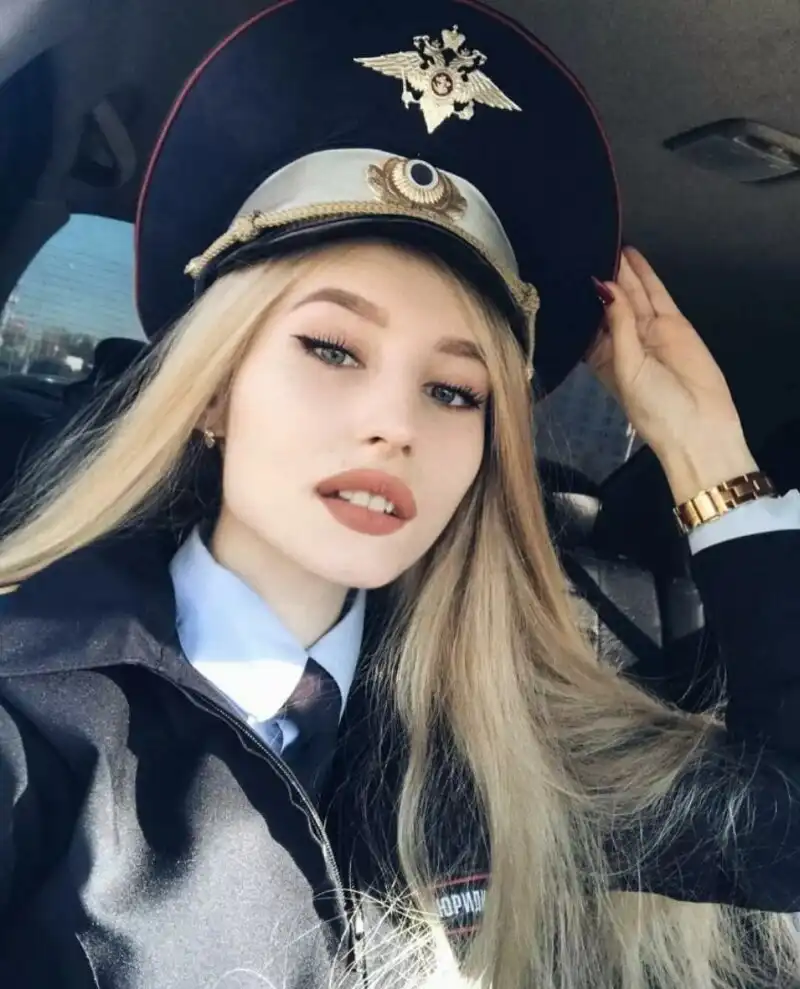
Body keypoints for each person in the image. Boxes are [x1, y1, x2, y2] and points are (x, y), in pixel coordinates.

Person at [1, 2, 800, 988]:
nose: (396, 425)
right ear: (211, 392)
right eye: (332, 348)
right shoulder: (33, 713)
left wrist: (712, 461)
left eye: (454, 390)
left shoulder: (493, 740)